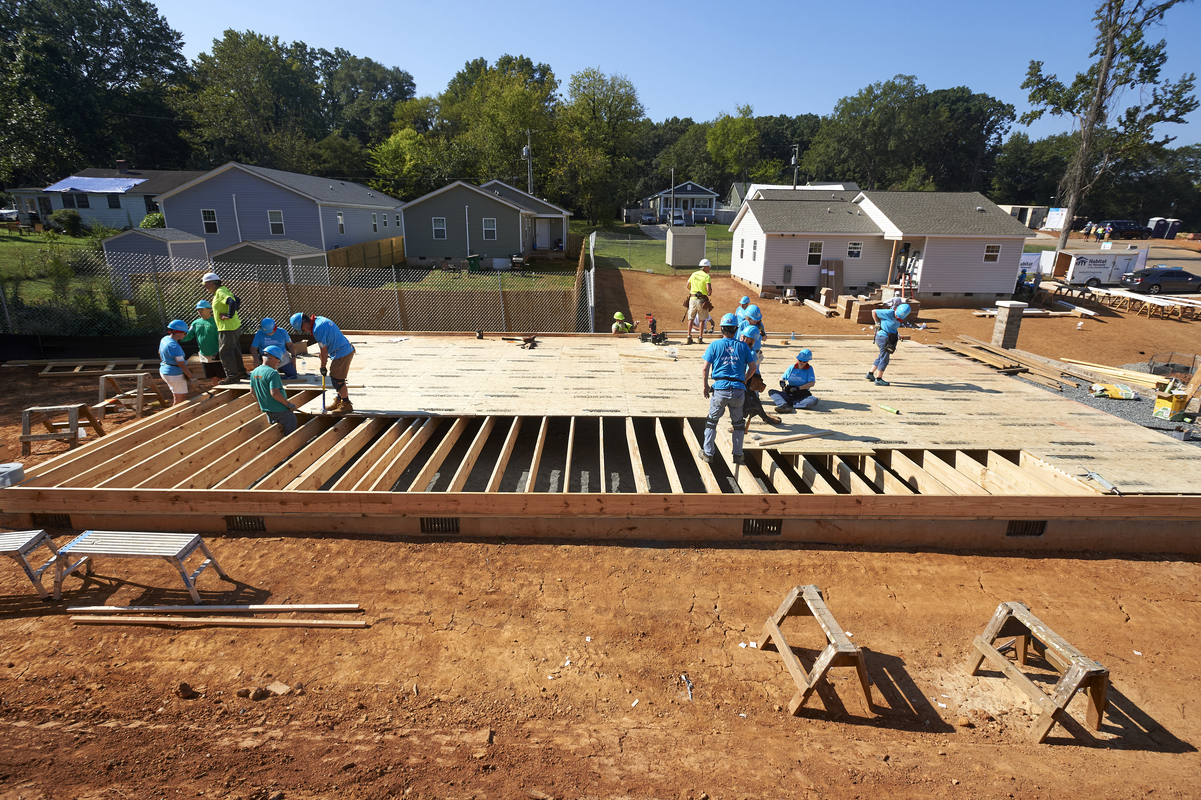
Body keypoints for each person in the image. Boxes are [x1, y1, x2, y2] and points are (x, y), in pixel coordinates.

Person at [699, 313, 758, 465]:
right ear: (736, 329)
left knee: (712, 421)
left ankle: (708, 453)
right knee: (738, 423)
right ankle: (738, 455)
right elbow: (752, 368)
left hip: (720, 389)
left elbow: (705, 368)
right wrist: (744, 380)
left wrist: (705, 386)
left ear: (721, 328)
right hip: (738, 390)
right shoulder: (743, 346)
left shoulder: (715, 345)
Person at [290, 312, 355, 414]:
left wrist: (322, 367)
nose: (304, 331)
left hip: (342, 352)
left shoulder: (317, 330)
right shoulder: (319, 320)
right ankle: (339, 401)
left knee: (337, 379)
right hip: (343, 350)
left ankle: (346, 404)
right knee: (336, 376)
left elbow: (323, 350)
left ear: (304, 323)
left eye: (302, 329)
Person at [202, 271, 247, 384]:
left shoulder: (220, 292)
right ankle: (241, 372)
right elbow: (237, 299)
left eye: (206, 284)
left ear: (212, 283)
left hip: (227, 328)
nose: (205, 287)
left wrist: (229, 315)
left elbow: (232, 301)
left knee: (225, 352)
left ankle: (232, 376)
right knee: (234, 350)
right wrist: (232, 314)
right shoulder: (224, 290)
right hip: (233, 326)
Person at [250, 345, 299, 434]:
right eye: (278, 360)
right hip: (281, 410)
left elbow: (252, 392)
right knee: (291, 434)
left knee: (276, 433)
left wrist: (262, 403)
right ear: (272, 358)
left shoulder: (254, 372)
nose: (278, 363)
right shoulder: (272, 373)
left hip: (269, 411)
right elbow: (275, 393)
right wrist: (288, 404)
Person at [738, 323, 780, 425]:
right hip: (744, 379)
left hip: (749, 379)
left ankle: (738, 423)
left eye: (744, 337)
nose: (741, 338)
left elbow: (750, 369)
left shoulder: (751, 353)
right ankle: (765, 417)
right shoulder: (742, 347)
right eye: (742, 336)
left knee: (745, 401)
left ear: (750, 339)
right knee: (754, 399)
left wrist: (744, 380)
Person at [181, 300, 223, 389]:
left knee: (222, 376)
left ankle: (226, 392)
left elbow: (222, 338)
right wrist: (178, 337)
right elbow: (189, 336)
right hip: (204, 355)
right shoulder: (195, 323)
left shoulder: (216, 322)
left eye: (202, 309)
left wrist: (220, 351)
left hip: (216, 354)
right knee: (212, 376)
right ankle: (217, 391)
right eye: (198, 310)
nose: (199, 311)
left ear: (209, 309)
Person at [867, 303, 910, 386]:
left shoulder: (899, 317)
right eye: (897, 315)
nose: (898, 317)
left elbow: (892, 326)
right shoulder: (889, 312)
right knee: (884, 359)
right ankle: (879, 379)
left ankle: (870, 374)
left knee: (881, 356)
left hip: (889, 338)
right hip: (883, 338)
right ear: (896, 310)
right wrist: (877, 323)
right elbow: (874, 311)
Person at [159, 320, 195, 407]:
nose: (185, 335)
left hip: (164, 370)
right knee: (180, 399)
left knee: (176, 395)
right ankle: (175, 417)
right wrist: (192, 378)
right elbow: (182, 365)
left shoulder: (164, 339)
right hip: (174, 375)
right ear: (178, 333)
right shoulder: (175, 347)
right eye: (185, 333)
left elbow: (159, 353)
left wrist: (167, 362)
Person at [685, 259, 713, 345]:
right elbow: (709, 291)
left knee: (691, 319)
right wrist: (708, 293)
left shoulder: (693, 274)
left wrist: (693, 291)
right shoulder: (706, 276)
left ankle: (689, 337)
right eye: (709, 267)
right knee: (702, 320)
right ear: (705, 267)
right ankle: (700, 338)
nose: (709, 269)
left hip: (692, 299)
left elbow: (687, 286)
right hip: (701, 300)